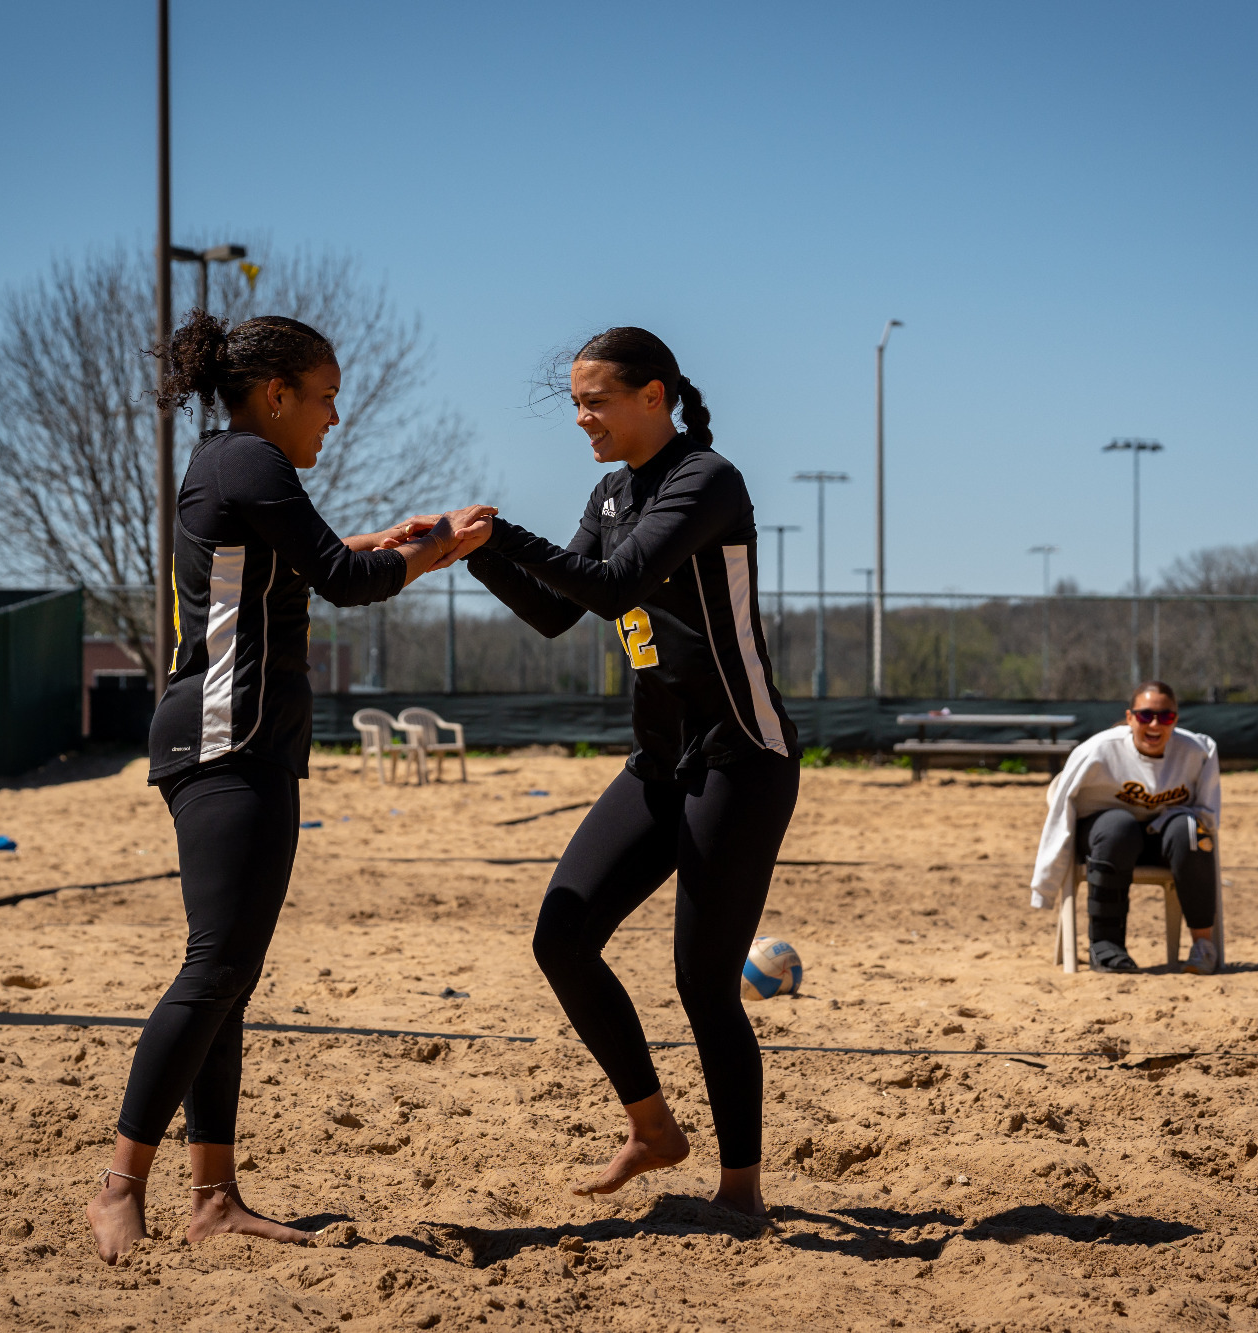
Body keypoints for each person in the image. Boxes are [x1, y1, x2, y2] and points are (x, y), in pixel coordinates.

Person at [87, 311, 493, 1264]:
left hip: (243, 740)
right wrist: (433, 551)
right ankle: (120, 1186)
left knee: (230, 975)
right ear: (276, 394)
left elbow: (294, 566)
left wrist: (387, 538)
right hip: (225, 740)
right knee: (216, 966)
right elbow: (345, 581)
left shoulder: (234, 467)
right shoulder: (250, 462)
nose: (335, 418)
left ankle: (215, 1196)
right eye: (326, 397)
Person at [465, 327, 799, 1217]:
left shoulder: (706, 478)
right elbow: (550, 611)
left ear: (654, 396)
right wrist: (477, 549)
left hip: (742, 758)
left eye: (595, 400)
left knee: (701, 983)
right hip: (660, 764)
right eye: (575, 402)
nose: (582, 418)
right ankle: (653, 1128)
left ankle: (740, 1193)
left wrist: (505, 531)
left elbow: (612, 586)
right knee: (561, 938)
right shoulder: (612, 490)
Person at [1029, 680, 1222, 974]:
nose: (1155, 724)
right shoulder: (1097, 751)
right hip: (1103, 839)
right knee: (1119, 827)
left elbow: (1207, 818)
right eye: (1145, 715)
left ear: (1176, 720)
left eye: (1165, 717)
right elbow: (1059, 812)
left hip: (1162, 841)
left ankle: (1203, 947)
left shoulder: (1198, 751)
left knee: (1191, 831)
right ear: (1130, 717)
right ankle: (1107, 947)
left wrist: (1164, 824)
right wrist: (1045, 885)